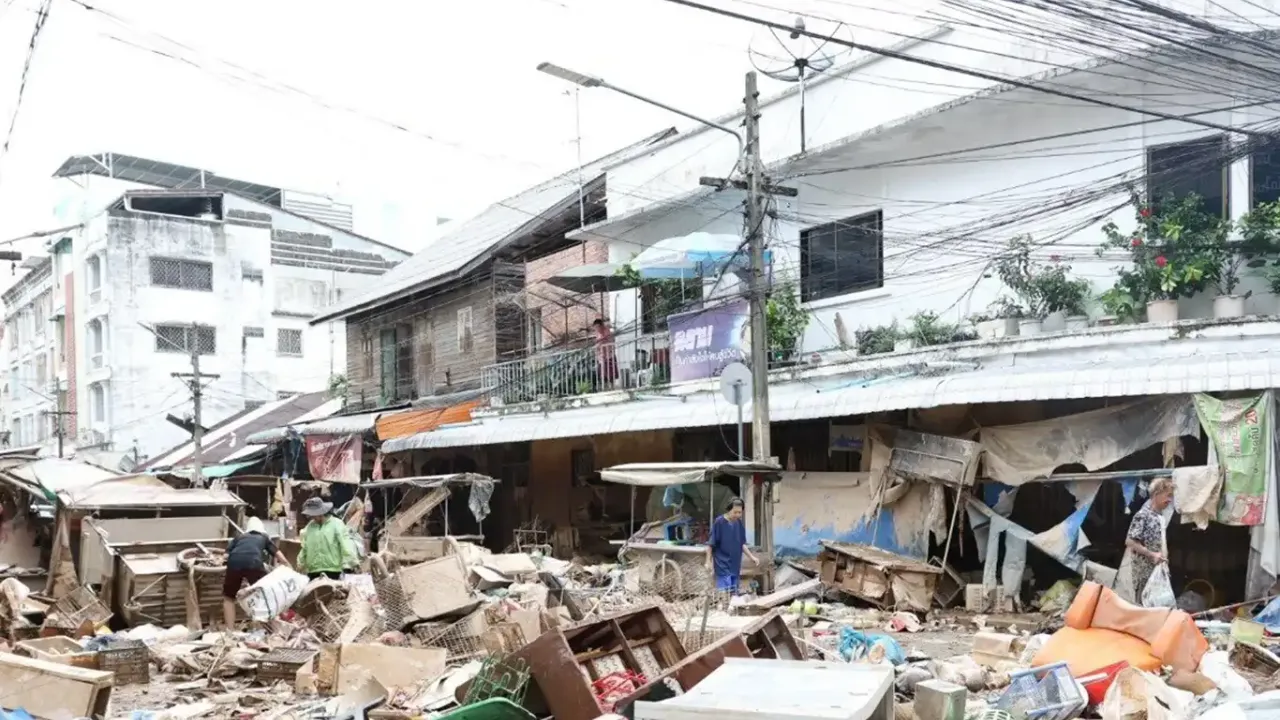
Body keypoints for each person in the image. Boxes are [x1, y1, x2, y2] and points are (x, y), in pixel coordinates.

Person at [222, 517, 290, 628]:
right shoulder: (263, 537)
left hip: (234, 563)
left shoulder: (239, 537)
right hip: (254, 562)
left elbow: (225, 556)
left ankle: (230, 631)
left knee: (229, 598)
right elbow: (278, 554)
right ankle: (270, 627)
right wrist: (287, 567)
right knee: (266, 595)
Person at [1125, 476, 1174, 602]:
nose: (1170, 500)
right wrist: (1151, 554)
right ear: (1157, 494)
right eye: (1168, 495)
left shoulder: (1159, 516)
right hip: (1144, 575)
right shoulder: (1143, 515)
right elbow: (1130, 541)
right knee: (1143, 610)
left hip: (1157, 573)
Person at [705, 498, 758, 595]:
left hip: (735, 564)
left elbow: (741, 544)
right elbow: (710, 544)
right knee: (724, 593)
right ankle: (722, 608)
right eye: (735, 512)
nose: (737, 515)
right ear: (729, 510)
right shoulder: (719, 522)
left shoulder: (738, 523)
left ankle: (730, 608)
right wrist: (708, 561)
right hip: (722, 564)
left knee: (734, 592)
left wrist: (752, 557)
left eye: (740, 512)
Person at [298, 496, 357, 580]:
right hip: (313, 571)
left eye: (313, 514)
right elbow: (305, 547)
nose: (312, 517)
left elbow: (345, 544)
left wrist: (352, 562)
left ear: (320, 513)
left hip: (332, 571)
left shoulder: (337, 524)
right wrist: (300, 563)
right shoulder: (310, 527)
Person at [592, 318, 619, 386]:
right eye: (595, 327)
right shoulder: (597, 334)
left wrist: (599, 343)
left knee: (611, 374)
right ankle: (606, 387)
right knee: (603, 375)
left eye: (598, 327)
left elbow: (607, 339)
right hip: (601, 357)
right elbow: (598, 343)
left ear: (602, 326)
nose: (597, 329)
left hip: (609, 356)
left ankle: (612, 386)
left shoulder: (607, 331)